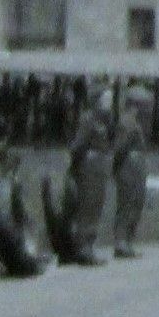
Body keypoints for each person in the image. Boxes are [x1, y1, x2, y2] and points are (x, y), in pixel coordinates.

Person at [65, 96, 113, 266]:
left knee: (96, 206)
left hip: (98, 166)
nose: (109, 104)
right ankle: (84, 249)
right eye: (106, 100)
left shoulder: (103, 121)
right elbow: (78, 145)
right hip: (90, 166)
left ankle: (89, 246)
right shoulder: (88, 119)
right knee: (88, 206)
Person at [112, 87, 152, 258]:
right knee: (127, 203)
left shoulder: (134, 123)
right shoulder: (127, 122)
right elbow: (120, 148)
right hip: (129, 166)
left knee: (135, 202)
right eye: (145, 106)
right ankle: (121, 242)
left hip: (135, 165)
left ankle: (127, 241)